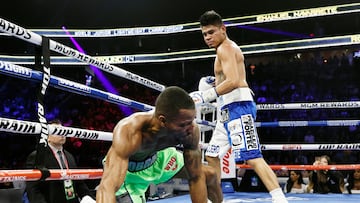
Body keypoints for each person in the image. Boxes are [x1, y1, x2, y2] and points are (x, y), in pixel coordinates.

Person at [190, 10, 288, 203]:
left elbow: (234, 80)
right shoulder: (224, 49)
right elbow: (228, 78)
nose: (207, 37)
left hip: (238, 107)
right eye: (204, 34)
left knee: (252, 156)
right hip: (226, 110)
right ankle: (216, 199)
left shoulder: (225, 48)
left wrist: (205, 95)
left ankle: (279, 199)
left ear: (223, 29)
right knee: (212, 155)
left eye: (211, 32)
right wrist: (213, 84)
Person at [96, 86, 223, 203]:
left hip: (161, 159)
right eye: (183, 124)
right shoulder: (130, 131)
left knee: (209, 175)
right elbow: (107, 187)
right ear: (163, 120)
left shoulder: (190, 130)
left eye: (191, 121)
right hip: (129, 173)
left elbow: (195, 177)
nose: (190, 128)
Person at [25, 119, 95, 203]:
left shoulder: (70, 156)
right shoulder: (37, 156)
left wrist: (91, 199)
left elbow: (79, 182)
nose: (61, 134)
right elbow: (33, 189)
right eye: (57, 131)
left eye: (63, 131)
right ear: (47, 137)